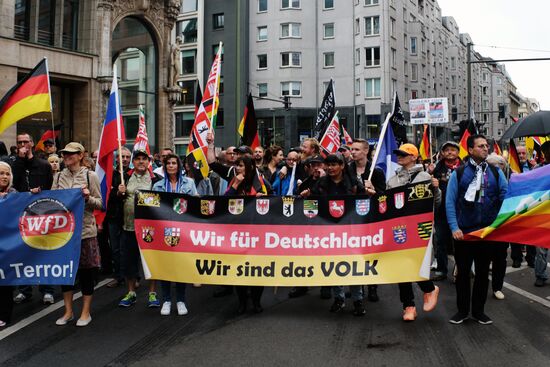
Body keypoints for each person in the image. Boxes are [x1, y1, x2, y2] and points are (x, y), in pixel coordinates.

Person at [446, 135, 507, 325]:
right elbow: (450, 201)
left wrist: (502, 222)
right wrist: (454, 227)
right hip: (464, 233)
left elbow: (506, 196)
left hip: (488, 232)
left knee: (482, 274)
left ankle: (479, 312)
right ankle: (462, 311)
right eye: (480, 146)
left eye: (486, 145)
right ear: (470, 150)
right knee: (463, 274)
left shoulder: (496, 173)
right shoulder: (459, 173)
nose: (485, 148)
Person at [306, 153, 366, 316]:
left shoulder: (353, 183)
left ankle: (358, 300)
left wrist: (369, 192)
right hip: (328, 232)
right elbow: (311, 203)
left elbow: (364, 203)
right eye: (328, 165)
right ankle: (338, 298)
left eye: (334, 164)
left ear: (342, 166)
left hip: (350, 232)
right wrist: (307, 195)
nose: (331, 168)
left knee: (353, 266)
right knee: (333, 265)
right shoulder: (321, 183)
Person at [386, 143, 440, 321]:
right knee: (402, 267)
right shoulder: (392, 180)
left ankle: (429, 289)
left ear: (413, 157)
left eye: (403, 154)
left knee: (417, 263)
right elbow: (387, 204)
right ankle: (408, 306)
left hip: (419, 228)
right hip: (399, 228)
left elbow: (436, 203)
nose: (399, 156)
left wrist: (436, 188)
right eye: (398, 153)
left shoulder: (425, 177)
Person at [52, 142, 102, 327]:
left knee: (86, 272)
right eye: (64, 154)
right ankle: (68, 312)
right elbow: (52, 202)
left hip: (85, 232)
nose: (66, 156)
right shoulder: (57, 177)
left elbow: (100, 203)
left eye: (71, 154)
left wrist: (88, 198)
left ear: (81, 155)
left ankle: (85, 312)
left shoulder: (91, 176)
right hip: (63, 233)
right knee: (65, 274)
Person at [11, 133, 55, 304]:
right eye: (19, 142)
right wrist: (20, 161)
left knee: (44, 253)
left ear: (31, 143)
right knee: (23, 253)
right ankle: (24, 289)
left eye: (25, 141)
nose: (23, 144)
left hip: (41, 216)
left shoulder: (43, 165)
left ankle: (47, 289)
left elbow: (50, 187)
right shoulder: (15, 164)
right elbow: (13, 185)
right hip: (22, 217)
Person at [152, 154, 198, 315]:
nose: (171, 166)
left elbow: (195, 204)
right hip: (164, 229)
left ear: (179, 166)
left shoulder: (189, 183)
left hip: (183, 229)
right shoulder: (157, 186)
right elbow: (152, 207)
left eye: (174, 163)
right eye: (168, 163)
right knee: (165, 265)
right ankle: (166, 299)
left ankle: (180, 300)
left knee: (180, 265)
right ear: (164, 167)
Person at [117, 149, 161, 308]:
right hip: (128, 227)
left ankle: (152, 293)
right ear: (133, 162)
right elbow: (116, 201)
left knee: (150, 261)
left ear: (148, 162)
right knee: (129, 261)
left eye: (144, 159)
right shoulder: (126, 178)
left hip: (149, 229)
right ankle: (131, 292)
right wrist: (119, 193)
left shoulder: (156, 179)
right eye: (138, 159)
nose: (141, 161)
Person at [226, 155, 267, 313]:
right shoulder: (234, 181)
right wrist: (235, 185)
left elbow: (268, 201)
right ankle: (242, 302)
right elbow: (225, 202)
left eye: (241, 166)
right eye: (237, 165)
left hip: (256, 233)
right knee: (240, 269)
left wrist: (261, 198)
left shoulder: (259, 183)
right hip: (238, 233)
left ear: (249, 167)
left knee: (257, 269)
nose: (238, 168)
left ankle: (256, 302)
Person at [348, 138, 386, 302]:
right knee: (353, 252)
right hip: (352, 217)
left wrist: (373, 190)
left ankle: (372, 286)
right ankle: (357, 286)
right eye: (352, 149)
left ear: (365, 151)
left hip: (370, 217)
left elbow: (384, 196)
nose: (353, 152)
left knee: (370, 252)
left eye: (356, 149)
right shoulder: (347, 170)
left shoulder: (375, 171)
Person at [430, 141, 463, 281]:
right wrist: (430, 177)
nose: (450, 152)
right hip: (441, 211)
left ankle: (461, 269)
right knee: (440, 240)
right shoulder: (437, 169)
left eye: (453, 150)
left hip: (460, 211)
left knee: (460, 242)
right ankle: (442, 270)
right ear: (442, 153)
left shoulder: (465, 167)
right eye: (446, 150)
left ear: (458, 152)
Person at [106, 147, 132, 288]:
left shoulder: (134, 174)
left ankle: (134, 277)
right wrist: (117, 193)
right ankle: (118, 276)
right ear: (117, 158)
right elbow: (106, 195)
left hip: (129, 217)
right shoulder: (110, 175)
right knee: (115, 248)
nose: (125, 159)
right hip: (114, 217)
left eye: (128, 157)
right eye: (122, 157)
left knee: (129, 248)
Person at [485, 153, 509, 300]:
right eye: (491, 166)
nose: (494, 170)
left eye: (497, 167)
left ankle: (497, 287)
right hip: (484, 223)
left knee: (500, 257)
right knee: (484, 256)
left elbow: (506, 197)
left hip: (501, 223)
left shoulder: (508, 180)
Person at [0, 162, 17, 327]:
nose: (4, 177)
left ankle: (4, 315)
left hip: (7, 246)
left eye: (7, 173)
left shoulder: (14, 194)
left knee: (4, 282)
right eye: (1, 173)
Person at [534, 141, 550, 287]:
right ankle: (540, 275)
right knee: (541, 248)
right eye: (547, 151)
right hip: (542, 214)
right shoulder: (538, 169)